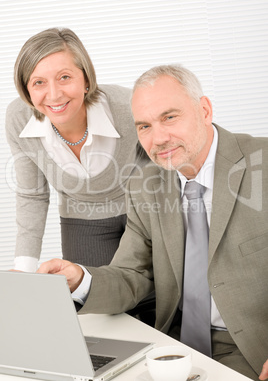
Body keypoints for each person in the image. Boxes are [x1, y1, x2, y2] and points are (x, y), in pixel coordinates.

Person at [37, 65, 268, 380]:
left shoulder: (262, 164)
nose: (158, 138)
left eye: (169, 117)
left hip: (251, 351)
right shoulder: (145, 184)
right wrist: (81, 280)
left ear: (204, 109)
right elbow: (132, 275)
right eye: (144, 126)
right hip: (170, 347)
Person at [5, 27, 148, 272]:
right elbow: (32, 194)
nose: (54, 94)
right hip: (83, 219)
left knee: (159, 297)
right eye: (39, 82)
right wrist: (24, 269)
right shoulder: (18, 119)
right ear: (26, 89)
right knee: (91, 301)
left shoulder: (129, 106)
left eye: (64, 77)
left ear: (86, 79)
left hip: (145, 207)